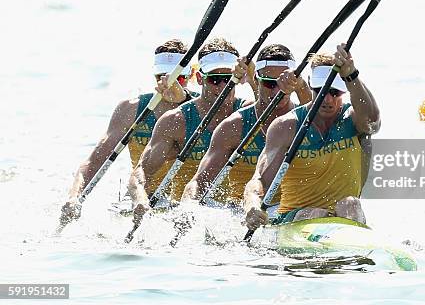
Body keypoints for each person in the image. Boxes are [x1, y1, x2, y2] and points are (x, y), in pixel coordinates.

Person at [59, 39, 195, 227]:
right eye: (161, 78)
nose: (168, 85)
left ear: (193, 75)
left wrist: (184, 100)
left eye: (177, 79)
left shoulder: (207, 110)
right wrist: (74, 197)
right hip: (139, 198)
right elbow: (95, 160)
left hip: (187, 203)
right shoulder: (130, 109)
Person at [243, 44, 380, 231]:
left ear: (344, 90)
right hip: (296, 217)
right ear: (310, 84)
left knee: (350, 204)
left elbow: (373, 122)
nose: (328, 100)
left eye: (335, 92)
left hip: (345, 215)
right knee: (315, 212)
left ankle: (354, 252)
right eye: (321, 91)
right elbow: (260, 180)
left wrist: (352, 75)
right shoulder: (287, 126)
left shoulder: (355, 120)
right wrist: (252, 205)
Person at [128, 37, 255, 222]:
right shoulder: (176, 120)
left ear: (239, 77)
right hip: (184, 209)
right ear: (199, 78)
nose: (222, 87)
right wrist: (140, 199)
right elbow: (140, 173)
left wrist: (253, 79)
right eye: (214, 80)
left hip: (236, 211)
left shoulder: (250, 113)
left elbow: (281, 117)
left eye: (228, 79)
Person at [181, 44, 311, 211]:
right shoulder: (233, 126)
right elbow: (199, 183)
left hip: (292, 210)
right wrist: (188, 209)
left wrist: (301, 86)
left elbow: (314, 103)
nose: (278, 90)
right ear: (256, 80)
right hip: (242, 211)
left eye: (284, 83)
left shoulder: (307, 118)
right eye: (270, 84)